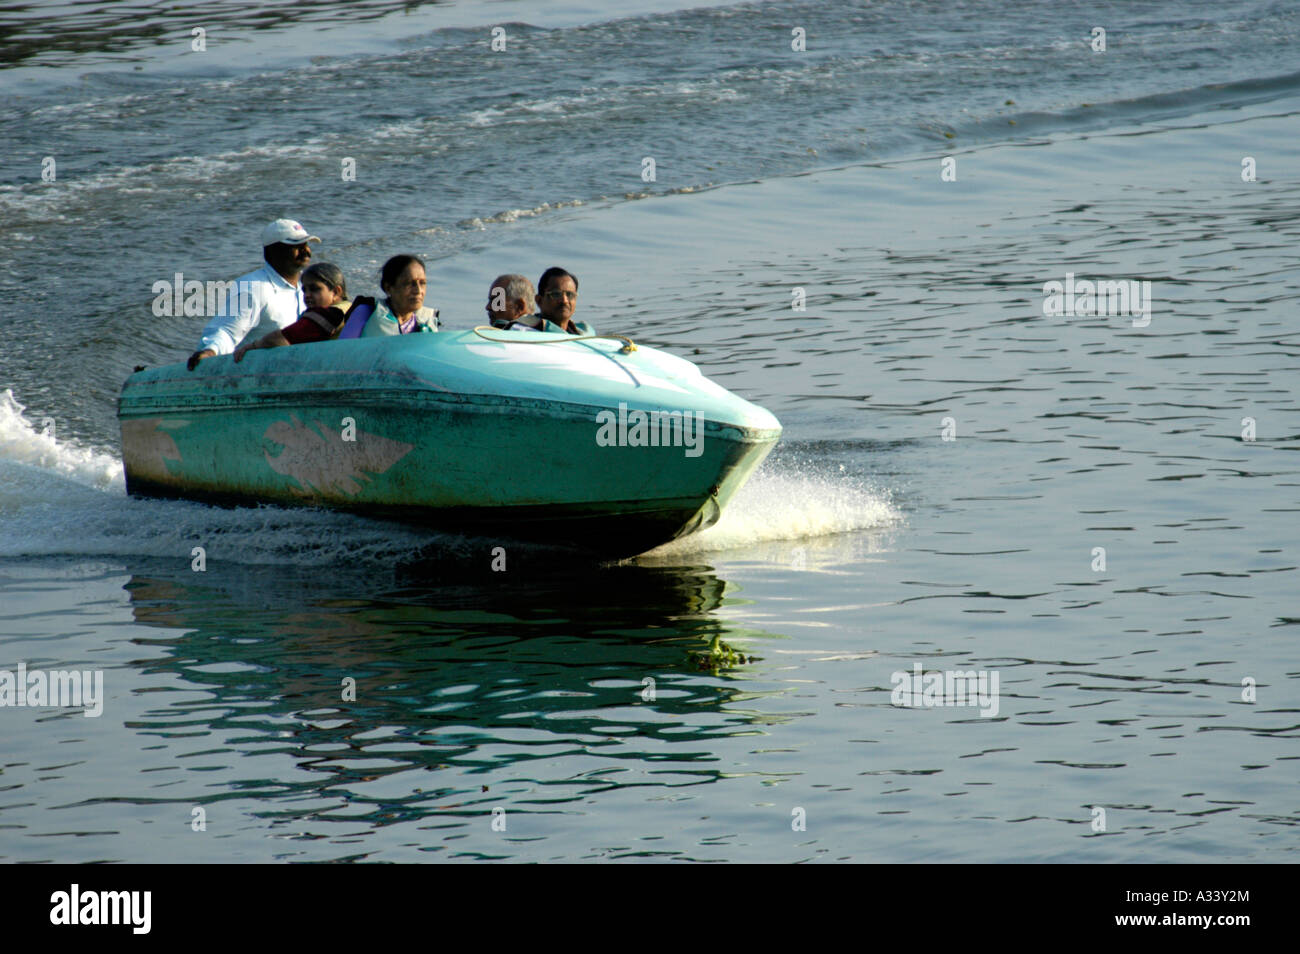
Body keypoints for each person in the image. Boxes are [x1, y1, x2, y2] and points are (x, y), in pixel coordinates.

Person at [186, 219, 320, 370]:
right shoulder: (253, 287)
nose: (305, 251)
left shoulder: (310, 284)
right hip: (257, 376)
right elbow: (227, 331)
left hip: (299, 371)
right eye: (295, 246)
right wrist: (210, 352)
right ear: (273, 251)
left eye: (306, 245)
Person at [231, 263, 350, 361]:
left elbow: (279, 338)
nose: (307, 295)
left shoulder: (329, 315)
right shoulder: (349, 308)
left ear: (336, 291)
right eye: (304, 290)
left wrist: (253, 346)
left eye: (314, 289)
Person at [360, 255, 438, 336]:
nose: (418, 291)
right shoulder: (366, 312)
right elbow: (346, 345)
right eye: (409, 284)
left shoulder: (428, 322)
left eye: (422, 283)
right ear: (388, 288)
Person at [533, 266, 594, 335]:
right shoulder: (526, 332)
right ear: (539, 300)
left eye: (570, 295)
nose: (564, 301)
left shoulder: (584, 335)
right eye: (556, 294)